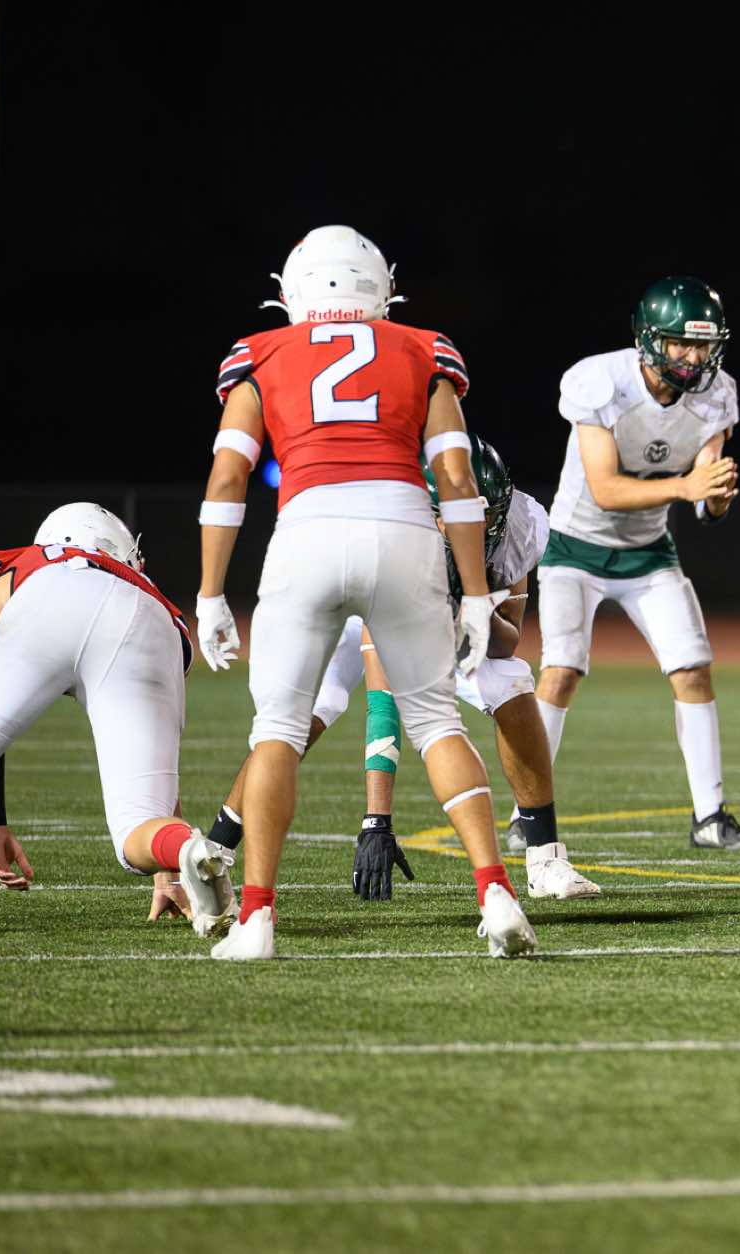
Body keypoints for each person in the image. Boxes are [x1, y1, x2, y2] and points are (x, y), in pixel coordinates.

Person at [196, 225, 534, 960]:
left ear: (291, 291)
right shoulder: (423, 348)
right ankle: (497, 893)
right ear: (383, 289)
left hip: (308, 528)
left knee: (277, 731)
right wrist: (477, 594)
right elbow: (456, 480)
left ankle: (257, 919)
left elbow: (228, 478)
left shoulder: (259, 353)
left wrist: (211, 592)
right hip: (403, 527)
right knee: (436, 721)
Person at [531, 277, 740, 851]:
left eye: (703, 344)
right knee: (560, 671)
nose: (694, 357)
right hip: (574, 545)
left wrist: (714, 500)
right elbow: (606, 489)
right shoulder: (600, 381)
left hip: (650, 551)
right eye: (682, 342)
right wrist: (688, 488)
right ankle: (526, 814)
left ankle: (711, 818)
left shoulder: (718, 394)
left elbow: (705, 492)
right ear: (649, 339)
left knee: (693, 669)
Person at [0, 504, 235, 934]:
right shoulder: (146, 589)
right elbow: (160, 776)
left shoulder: (34, 561)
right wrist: (168, 871)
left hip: (50, 591)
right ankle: (188, 848)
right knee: (136, 828)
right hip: (150, 621)